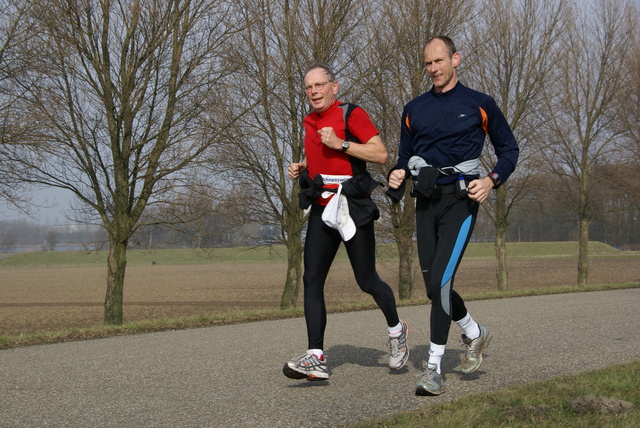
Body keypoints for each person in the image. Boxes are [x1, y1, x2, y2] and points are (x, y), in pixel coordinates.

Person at [387, 36, 519, 396]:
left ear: (455, 59)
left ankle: (433, 368)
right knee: (433, 287)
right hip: (426, 198)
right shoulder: (413, 108)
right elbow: (405, 156)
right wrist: (398, 172)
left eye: (440, 61)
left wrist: (491, 181)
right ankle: (475, 332)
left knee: (442, 282)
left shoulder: (480, 103)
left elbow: (508, 149)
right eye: (428, 63)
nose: (434, 69)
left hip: (462, 198)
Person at [283, 62, 408, 381]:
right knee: (311, 278)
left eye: (319, 85)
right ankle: (316, 356)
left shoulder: (352, 114)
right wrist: (302, 168)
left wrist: (342, 143)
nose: (313, 91)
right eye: (308, 87)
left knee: (366, 280)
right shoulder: (308, 120)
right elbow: (319, 159)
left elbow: (380, 154)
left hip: (352, 206)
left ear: (334, 87)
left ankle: (397, 332)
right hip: (323, 208)